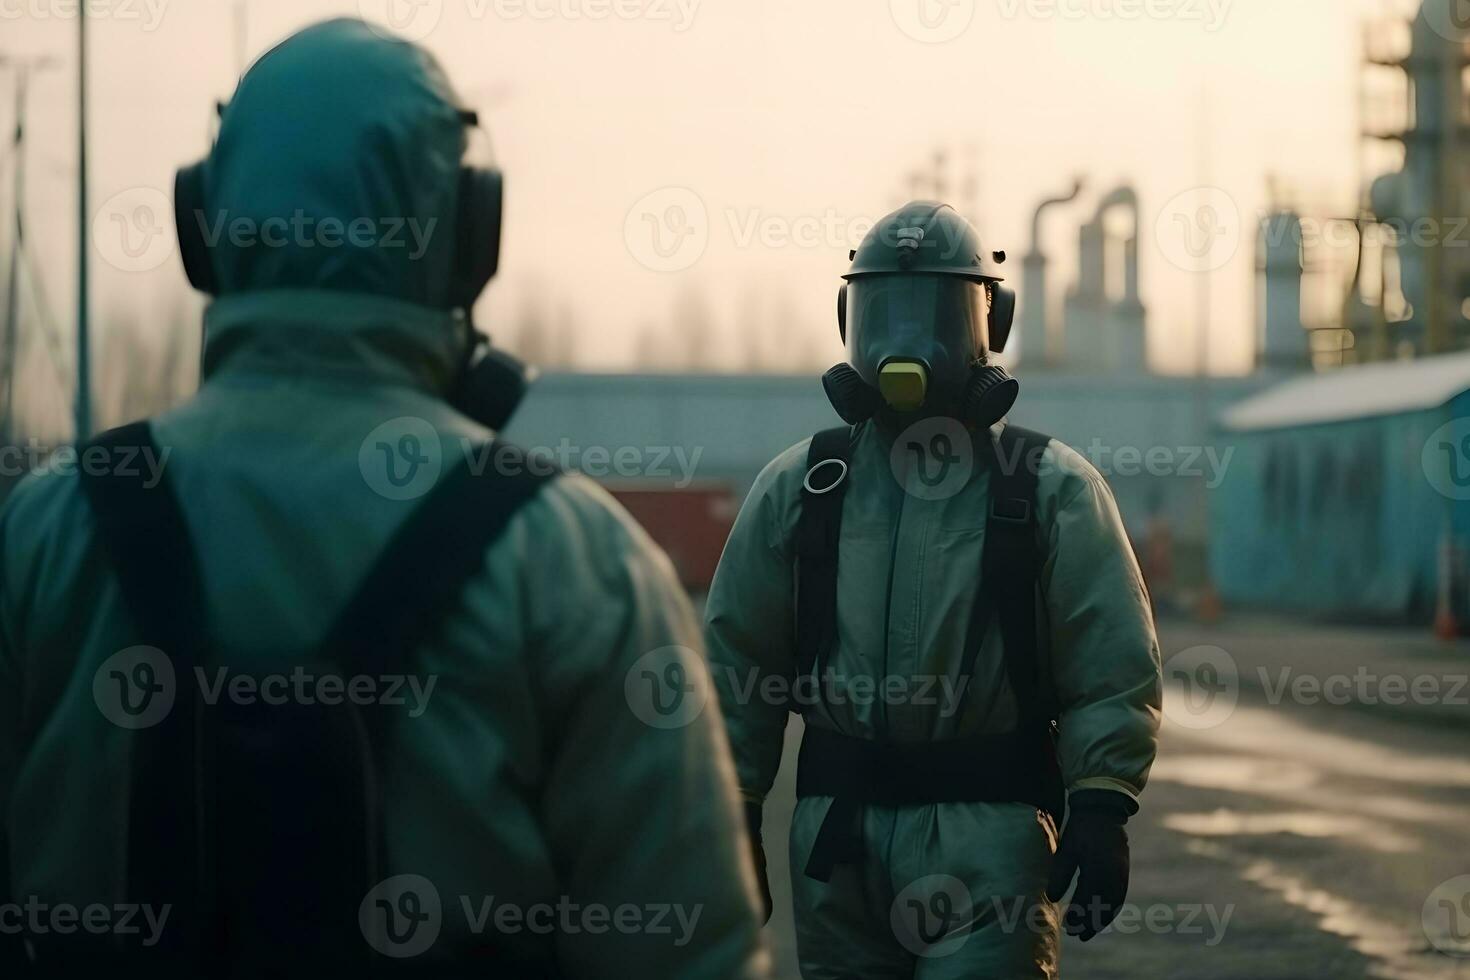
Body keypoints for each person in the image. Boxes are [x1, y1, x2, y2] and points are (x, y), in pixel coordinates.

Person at [0, 19, 767, 978]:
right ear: (467, 235)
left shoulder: (44, 533)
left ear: (205, 221)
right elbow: (688, 954)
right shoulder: (577, 564)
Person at [706, 201, 1162, 978]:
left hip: (991, 842)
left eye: (939, 313)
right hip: (837, 849)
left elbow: (1110, 661)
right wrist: (730, 809)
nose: (906, 344)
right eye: (885, 312)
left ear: (994, 322)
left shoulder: (1049, 489)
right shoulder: (805, 487)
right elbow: (737, 664)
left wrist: (1102, 800)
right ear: (850, 318)